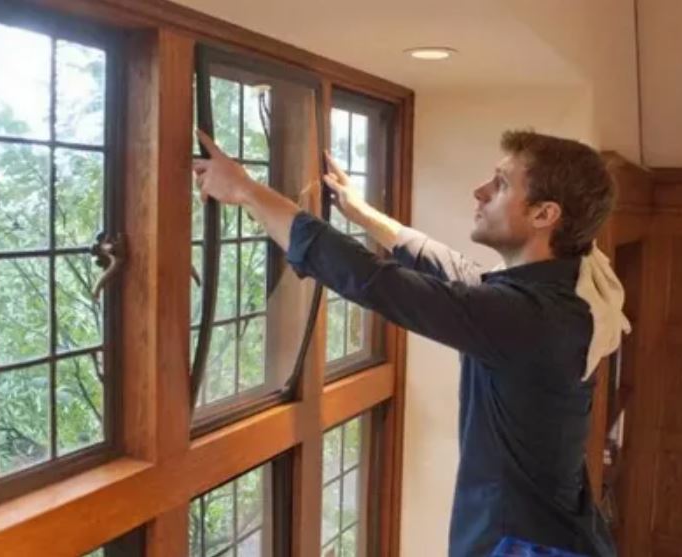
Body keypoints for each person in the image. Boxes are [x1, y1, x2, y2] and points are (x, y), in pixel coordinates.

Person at [193, 129, 629, 557]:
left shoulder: (532, 318)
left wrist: (246, 190)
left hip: (526, 544)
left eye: (500, 184)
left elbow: (375, 282)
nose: (479, 192)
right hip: (545, 529)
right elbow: (457, 271)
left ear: (544, 215)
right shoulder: (563, 291)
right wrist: (363, 213)